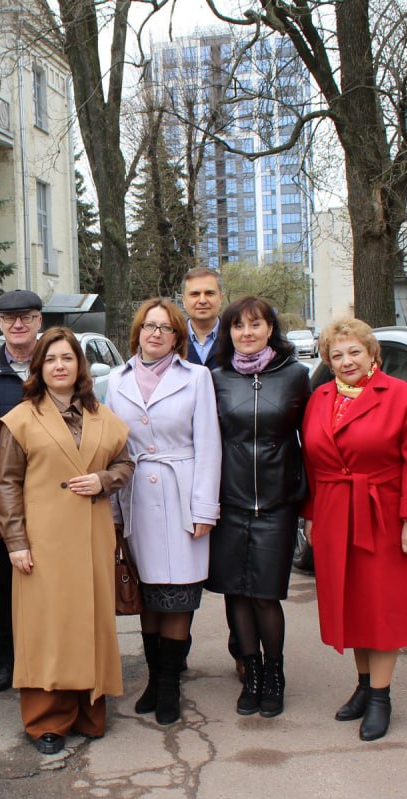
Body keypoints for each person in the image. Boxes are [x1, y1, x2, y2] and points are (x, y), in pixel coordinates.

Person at [0, 327, 134, 755]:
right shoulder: (20, 418)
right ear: (39, 367)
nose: (60, 366)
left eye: (67, 358)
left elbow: (126, 464)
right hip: (42, 540)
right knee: (47, 628)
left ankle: (89, 712)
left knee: (89, 622)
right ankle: (46, 721)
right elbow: (6, 483)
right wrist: (16, 541)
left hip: (92, 538)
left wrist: (104, 479)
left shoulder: (102, 416)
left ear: (80, 366)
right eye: (51, 359)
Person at [301, 318, 407, 742]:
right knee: (353, 603)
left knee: (383, 607)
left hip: (384, 515)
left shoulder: (399, 396)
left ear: (372, 354)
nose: (346, 361)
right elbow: (313, 463)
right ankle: (362, 686)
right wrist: (311, 515)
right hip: (335, 512)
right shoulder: (320, 397)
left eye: (354, 352)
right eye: (336, 355)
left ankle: (381, 696)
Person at [106, 299, 220, 726]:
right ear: (137, 332)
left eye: (166, 328)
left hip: (181, 492)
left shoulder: (197, 378)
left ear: (177, 337)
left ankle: (170, 683)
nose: (155, 334)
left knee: (178, 596)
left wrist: (205, 507)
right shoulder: (116, 381)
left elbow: (209, 445)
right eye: (149, 327)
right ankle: (154, 680)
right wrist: (115, 512)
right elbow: (114, 447)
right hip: (136, 496)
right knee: (149, 596)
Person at [207, 296, 310, 719]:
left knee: (266, 595)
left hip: (276, 504)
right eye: (238, 326)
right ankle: (249, 673)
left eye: (255, 325)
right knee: (236, 593)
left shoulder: (297, 376)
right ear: (228, 333)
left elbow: (315, 440)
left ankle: (274, 674)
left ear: (271, 329)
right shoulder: (215, 378)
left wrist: (307, 501)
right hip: (229, 502)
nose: (246, 333)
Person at [0, 289, 45, 693]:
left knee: (47, 582)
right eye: (9, 318)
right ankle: (7, 660)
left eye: (27, 317)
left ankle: (44, 656)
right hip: (4, 497)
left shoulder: (57, 364)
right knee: (4, 584)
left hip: (53, 494)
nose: (18, 324)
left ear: (39, 321)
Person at [181, 266, 242, 676]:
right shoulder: (168, 338)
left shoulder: (240, 336)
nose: (202, 300)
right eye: (194, 294)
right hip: (184, 470)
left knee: (237, 571)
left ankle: (243, 652)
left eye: (209, 293)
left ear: (220, 297)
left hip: (236, 466)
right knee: (181, 571)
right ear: (183, 300)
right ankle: (176, 652)